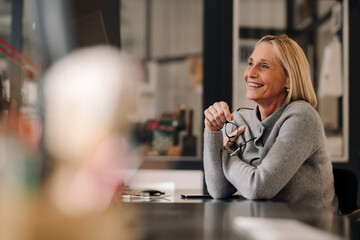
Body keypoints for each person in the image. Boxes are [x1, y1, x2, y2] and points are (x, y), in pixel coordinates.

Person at [203, 34, 337, 212]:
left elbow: (259, 188)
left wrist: (227, 153)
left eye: (264, 66)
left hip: (308, 228)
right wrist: (212, 131)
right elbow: (218, 189)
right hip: (263, 223)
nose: (250, 73)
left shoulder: (302, 117)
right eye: (250, 63)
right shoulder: (241, 120)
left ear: (288, 78)